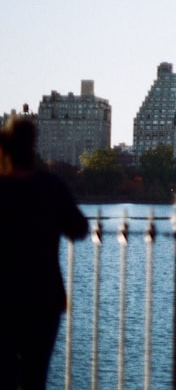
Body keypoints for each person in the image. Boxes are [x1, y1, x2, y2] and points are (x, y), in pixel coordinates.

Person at [0, 117, 89, 390]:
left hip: (4, 298)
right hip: (44, 298)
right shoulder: (51, 186)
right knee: (35, 377)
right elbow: (79, 228)